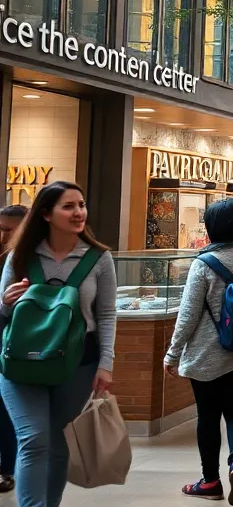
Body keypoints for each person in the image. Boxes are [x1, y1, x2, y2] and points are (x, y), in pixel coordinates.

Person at [0, 181, 116, 507]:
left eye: (81, 205)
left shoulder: (99, 258)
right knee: (34, 439)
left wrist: (106, 364)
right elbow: (3, 315)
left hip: (77, 363)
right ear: (46, 214)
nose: (78, 212)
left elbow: (106, 314)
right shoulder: (21, 256)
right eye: (68, 206)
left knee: (59, 443)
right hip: (20, 362)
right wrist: (6, 303)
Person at [166, 198, 233, 504]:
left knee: (208, 416)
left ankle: (210, 481)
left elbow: (188, 315)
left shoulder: (203, 264)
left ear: (211, 229)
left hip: (206, 355)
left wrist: (172, 353)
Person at [0, 204, 26, 494]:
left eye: (9, 230)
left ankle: (7, 468)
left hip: (15, 343)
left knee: (5, 409)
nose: (3, 235)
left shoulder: (22, 259)